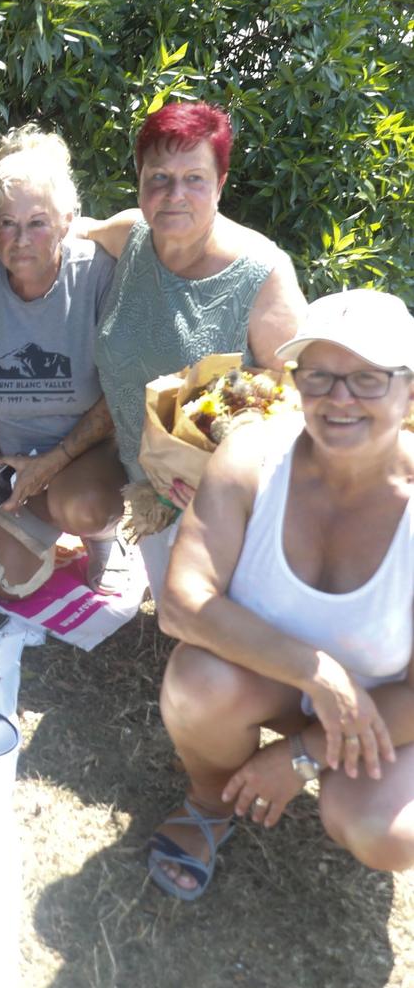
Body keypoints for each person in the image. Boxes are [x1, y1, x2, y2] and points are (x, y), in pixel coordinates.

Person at [148, 289, 414, 899]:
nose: (339, 397)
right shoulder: (253, 455)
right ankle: (211, 800)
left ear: (410, 391)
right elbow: (183, 602)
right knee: (198, 682)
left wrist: (300, 754)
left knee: (382, 832)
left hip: (384, 707)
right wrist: (317, 672)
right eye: (318, 375)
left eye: (368, 379)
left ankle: (348, 782)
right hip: (268, 681)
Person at [87, 101, 306, 592]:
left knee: (212, 635)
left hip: (224, 506)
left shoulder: (263, 277)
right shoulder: (133, 235)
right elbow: (68, 227)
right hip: (146, 486)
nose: (174, 195)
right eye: (159, 177)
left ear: (222, 183)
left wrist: (231, 485)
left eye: (194, 178)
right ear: (139, 178)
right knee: (178, 622)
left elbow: (304, 402)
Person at [0, 127, 126, 599]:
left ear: (68, 220)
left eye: (37, 223)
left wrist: (53, 463)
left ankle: (100, 534)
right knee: (8, 585)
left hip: (84, 457)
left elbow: (119, 389)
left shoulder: (98, 272)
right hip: (10, 460)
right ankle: (30, 504)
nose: (21, 240)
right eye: (7, 224)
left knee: (82, 504)